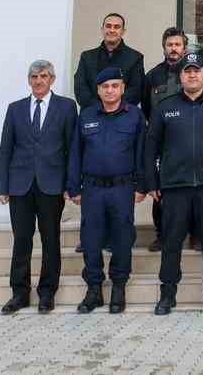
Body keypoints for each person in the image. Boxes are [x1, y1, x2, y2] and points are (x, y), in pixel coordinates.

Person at [144, 52, 203, 314]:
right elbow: (150, 146)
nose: (192, 75)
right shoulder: (165, 107)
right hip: (175, 188)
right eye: (187, 71)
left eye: (196, 70)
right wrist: (151, 182)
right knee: (171, 243)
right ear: (181, 76)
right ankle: (167, 294)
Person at [0, 59, 79, 314]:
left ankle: (47, 293)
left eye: (43, 76)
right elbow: (6, 148)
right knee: (21, 239)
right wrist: (2, 186)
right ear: (29, 80)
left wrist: (71, 184)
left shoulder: (66, 107)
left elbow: (72, 148)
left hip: (51, 185)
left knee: (50, 239)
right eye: (34, 77)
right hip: (20, 185)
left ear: (52, 79)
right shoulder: (15, 109)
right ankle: (19, 293)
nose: (39, 81)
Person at [66, 67, 146, 314]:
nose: (110, 91)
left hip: (123, 188)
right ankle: (94, 290)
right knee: (91, 240)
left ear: (122, 88)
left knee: (123, 239)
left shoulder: (135, 116)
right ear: (98, 90)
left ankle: (119, 288)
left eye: (114, 86)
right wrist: (73, 187)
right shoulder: (87, 115)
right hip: (92, 189)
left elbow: (142, 153)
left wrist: (142, 185)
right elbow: (75, 153)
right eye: (105, 87)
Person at [143, 27, 203, 253]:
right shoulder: (153, 76)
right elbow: (146, 107)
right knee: (162, 191)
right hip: (164, 141)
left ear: (184, 47)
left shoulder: (197, 72)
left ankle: (196, 235)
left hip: (193, 138)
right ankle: (162, 234)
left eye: (177, 44)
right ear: (164, 47)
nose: (173, 49)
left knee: (194, 188)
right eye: (169, 45)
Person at [74, 13, 146, 112]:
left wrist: (114, 109)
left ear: (123, 31)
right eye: (108, 26)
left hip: (123, 115)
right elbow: (81, 88)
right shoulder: (87, 57)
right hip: (91, 114)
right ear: (102, 29)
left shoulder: (135, 58)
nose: (112, 30)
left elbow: (136, 90)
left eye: (116, 27)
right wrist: (100, 109)